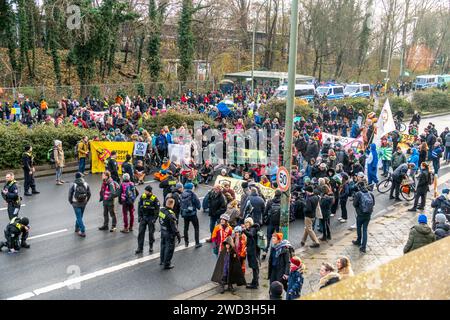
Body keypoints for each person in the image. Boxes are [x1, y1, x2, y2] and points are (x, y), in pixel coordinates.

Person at [135, 185, 160, 254]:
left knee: (151, 233)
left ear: (149, 191)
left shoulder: (154, 199)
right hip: (144, 217)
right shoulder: (142, 197)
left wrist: (155, 218)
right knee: (140, 233)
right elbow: (139, 207)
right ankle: (140, 248)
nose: (145, 192)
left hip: (151, 217)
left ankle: (151, 246)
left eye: (146, 191)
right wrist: (139, 216)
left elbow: (157, 210)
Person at [352, 180, 375, 253]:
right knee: (365, 229)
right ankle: (363, 247)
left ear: (359, 187)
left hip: (360, 214)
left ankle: (358, 241)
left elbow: (354, 204)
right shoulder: (370, 193)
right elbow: (373, 203)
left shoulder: (358, 194)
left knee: (359, 227)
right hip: (368, 214)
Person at [158, 197, 181, 269]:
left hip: (163, 231)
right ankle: (167, 264)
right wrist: (178, 235)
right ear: (172, 204)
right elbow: (174, 227)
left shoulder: (162, 210)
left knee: (163, 246)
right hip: (169, 233)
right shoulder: (171, 215)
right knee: (169, 248)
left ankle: (162, 260)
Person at [68, 172, 91, 237]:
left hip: (75, 203)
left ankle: (83, 230)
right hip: (84, 202)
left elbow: (70, 194)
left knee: (79, 217)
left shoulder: (73, 184)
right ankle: (76, 228)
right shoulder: (86, 184)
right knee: (80, 217)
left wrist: (71, 202)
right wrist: (87, 201)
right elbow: (89, 194)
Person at [180, 182, 202, 248]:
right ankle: (197, 243)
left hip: (185, 214)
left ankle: (186, 242)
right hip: (192, 214)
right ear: (191, 188)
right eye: (193, 187)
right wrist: (198, 207)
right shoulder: (192, 194)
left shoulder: (182, 194)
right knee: (196, 228)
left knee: (186, 228)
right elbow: (197, 203)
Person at [242, 217, 261, 289]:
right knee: (254, 268)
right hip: (254, 251)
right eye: (245, 222)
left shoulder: (253, 229)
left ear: (250, 223)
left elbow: (250, 235)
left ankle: (255, 284)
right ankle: (254, 281)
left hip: (254, 252)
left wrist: (244, 230)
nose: (246, 224)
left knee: (255, 267)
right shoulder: (252, 229)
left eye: (247, 222)